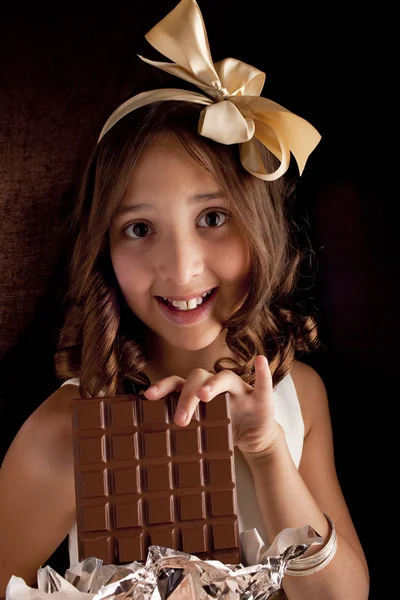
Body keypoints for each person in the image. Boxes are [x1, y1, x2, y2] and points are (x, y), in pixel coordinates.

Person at [0, 1, 369, 598]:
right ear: (104, 251)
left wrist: (265, 451)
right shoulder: (62, 433)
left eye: (213, 217)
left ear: (260, 229)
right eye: (139, 229)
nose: (181, 267)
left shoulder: (296, 396)